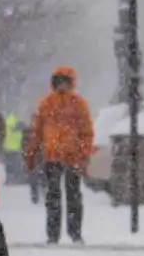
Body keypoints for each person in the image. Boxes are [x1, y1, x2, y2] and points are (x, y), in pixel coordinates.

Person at [27, 68, 94, 244]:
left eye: (65, 81)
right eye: (60, 81)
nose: (62, 85)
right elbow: (37, 131)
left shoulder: (79, 104)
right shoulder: (46, 104)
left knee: (73, 196)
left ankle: (75, 233)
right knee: (53, 197)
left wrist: (83, 154)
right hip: (52, 156)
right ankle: (53, 234)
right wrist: (32, 152)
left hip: (73, 156)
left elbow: (86, 132)